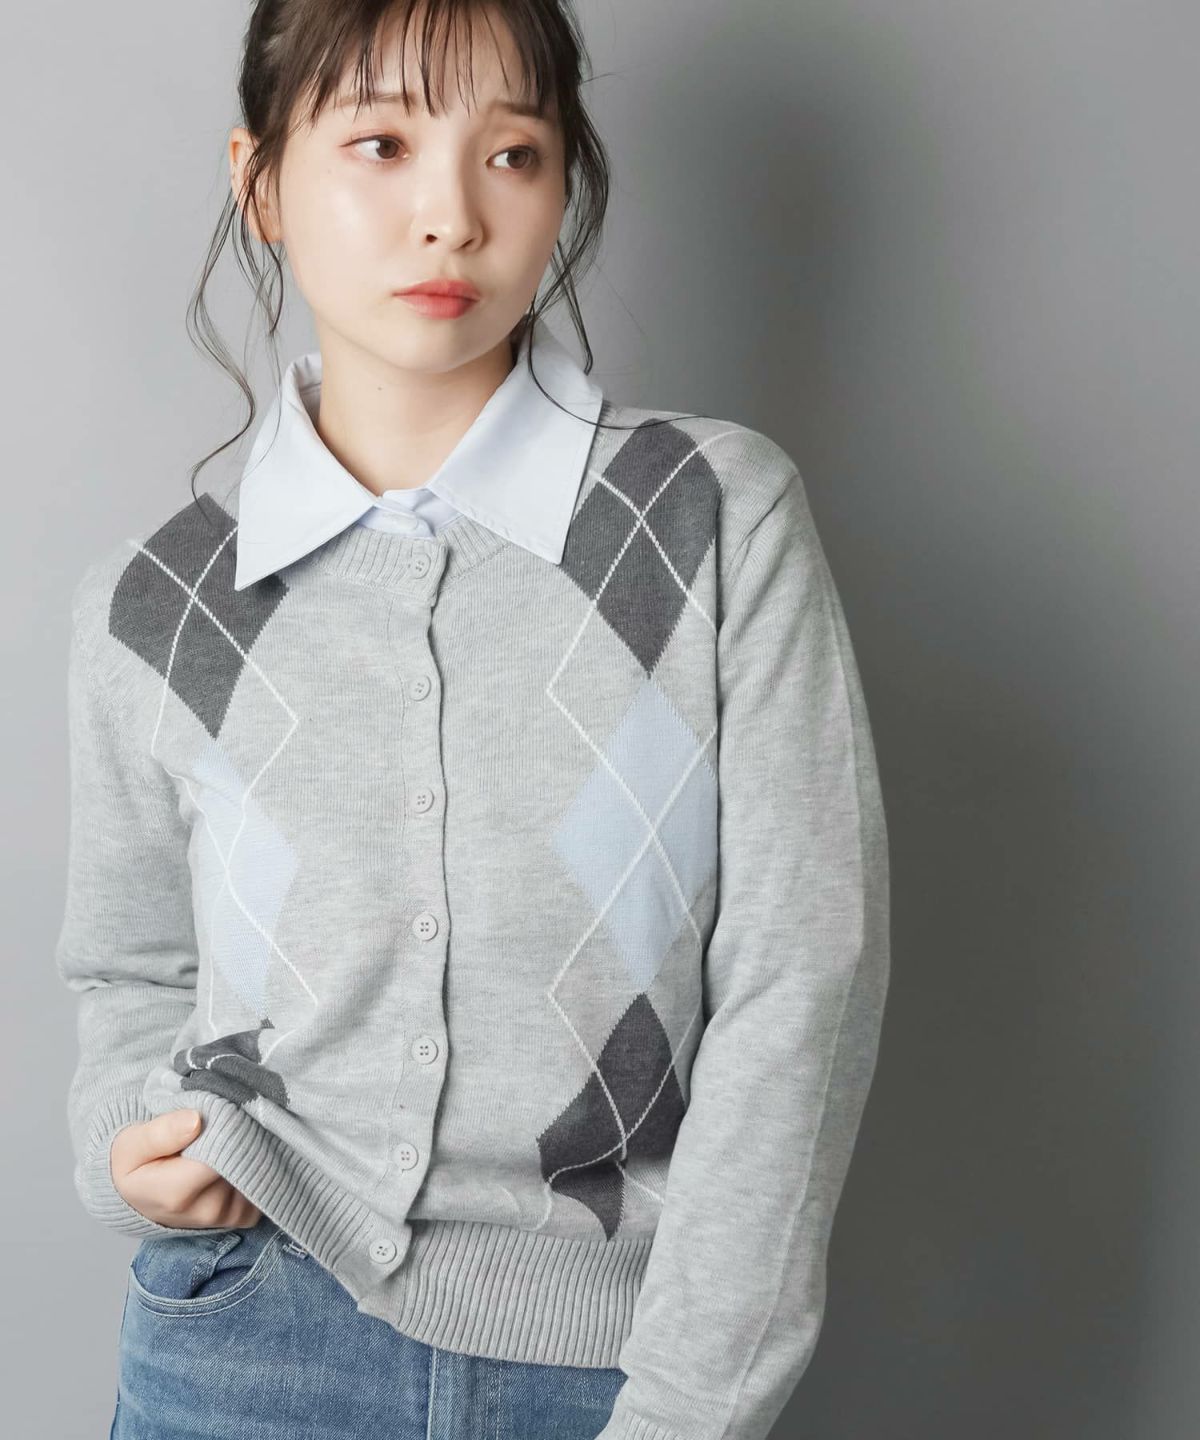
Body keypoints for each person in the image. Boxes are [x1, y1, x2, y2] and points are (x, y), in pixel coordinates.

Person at [54, 2, 891, 1438]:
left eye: (512, 153)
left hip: (615, 1369)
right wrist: (125, 1141)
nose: (450, 214)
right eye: (379, 144)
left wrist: (688, 1409)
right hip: (237, 1350)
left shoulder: (707, 520)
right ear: (261, 183)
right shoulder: (159, 605)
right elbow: (130, 971)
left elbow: (801, 983)